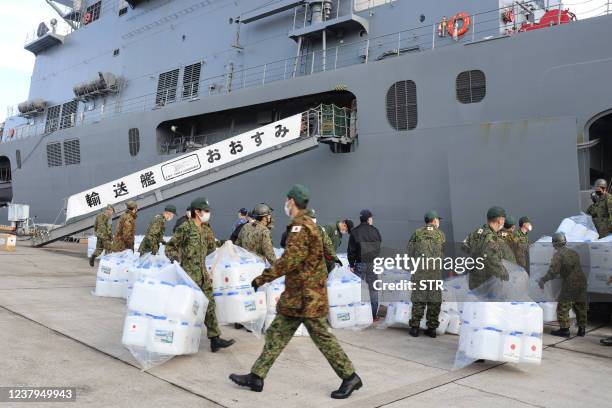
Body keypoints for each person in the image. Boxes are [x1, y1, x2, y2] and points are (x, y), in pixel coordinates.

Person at [229, 184, 362, 399]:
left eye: (287, 200)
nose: (286, 204)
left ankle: (350, 377)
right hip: (298, 297)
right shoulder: (306, 224)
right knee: (276, 334)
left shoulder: (301, 226)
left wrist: (263, 278)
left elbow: (289, 261)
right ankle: (257, 376)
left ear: (293, 202)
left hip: (307, 298)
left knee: (323, 339)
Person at [165, 197, 235, 352]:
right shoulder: (185, 228)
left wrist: (223, 243)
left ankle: (215, 339)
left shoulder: (206, 229)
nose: (208, 214)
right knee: (189, 309)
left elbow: (212, 246)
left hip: (203, 275)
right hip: (189, 276)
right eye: (206, 211)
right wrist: (174, 257)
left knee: (210, 305)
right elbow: (170, 247)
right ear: (197, 211)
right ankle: (178, 339)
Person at [538, 232, 587, 337]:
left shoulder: (558, 255)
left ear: (555, 243)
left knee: (563, 306)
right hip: (582, 281)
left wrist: (543, 280)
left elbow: (552, 272)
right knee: (580, 305)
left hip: (571, 283)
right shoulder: (573, 252)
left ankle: (564, 330)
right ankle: (582, 329)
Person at [407, 210, 445, 338]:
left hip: (420, 273)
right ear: (434, 220)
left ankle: (415, 328)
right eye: (438, 219)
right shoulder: (440, 234)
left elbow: (410, 251)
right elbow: (442, 252)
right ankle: (432, 329)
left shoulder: (417, 233)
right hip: (434, 273)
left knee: (418, 299)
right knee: (434, 300)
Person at [463, 206, 509, 290]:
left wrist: (476, 254)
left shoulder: (477, 232)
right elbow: (492, 260)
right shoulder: (491, 238)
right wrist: (505, 275)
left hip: (473, 281)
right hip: (487, 284)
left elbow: (464, 246)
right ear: (500, 220)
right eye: (504, 220)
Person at [348, 209, 382, 319]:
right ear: (368, 219)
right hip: (372, 264)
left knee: (358, 290)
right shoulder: (375, 231)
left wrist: (352, 265)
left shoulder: (354, 232)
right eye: (371, 218)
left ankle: (358, 316)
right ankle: (373, 315)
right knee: (373, 289)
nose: (372, 219)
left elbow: (351, 251)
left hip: (359, 264)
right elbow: (378, 248)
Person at [305, 208, 342, 273]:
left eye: (314, 218)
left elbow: (328, 245)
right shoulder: (299, 230)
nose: (313, 220)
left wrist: (335, 259)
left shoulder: (320, 229)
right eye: (312, 217)